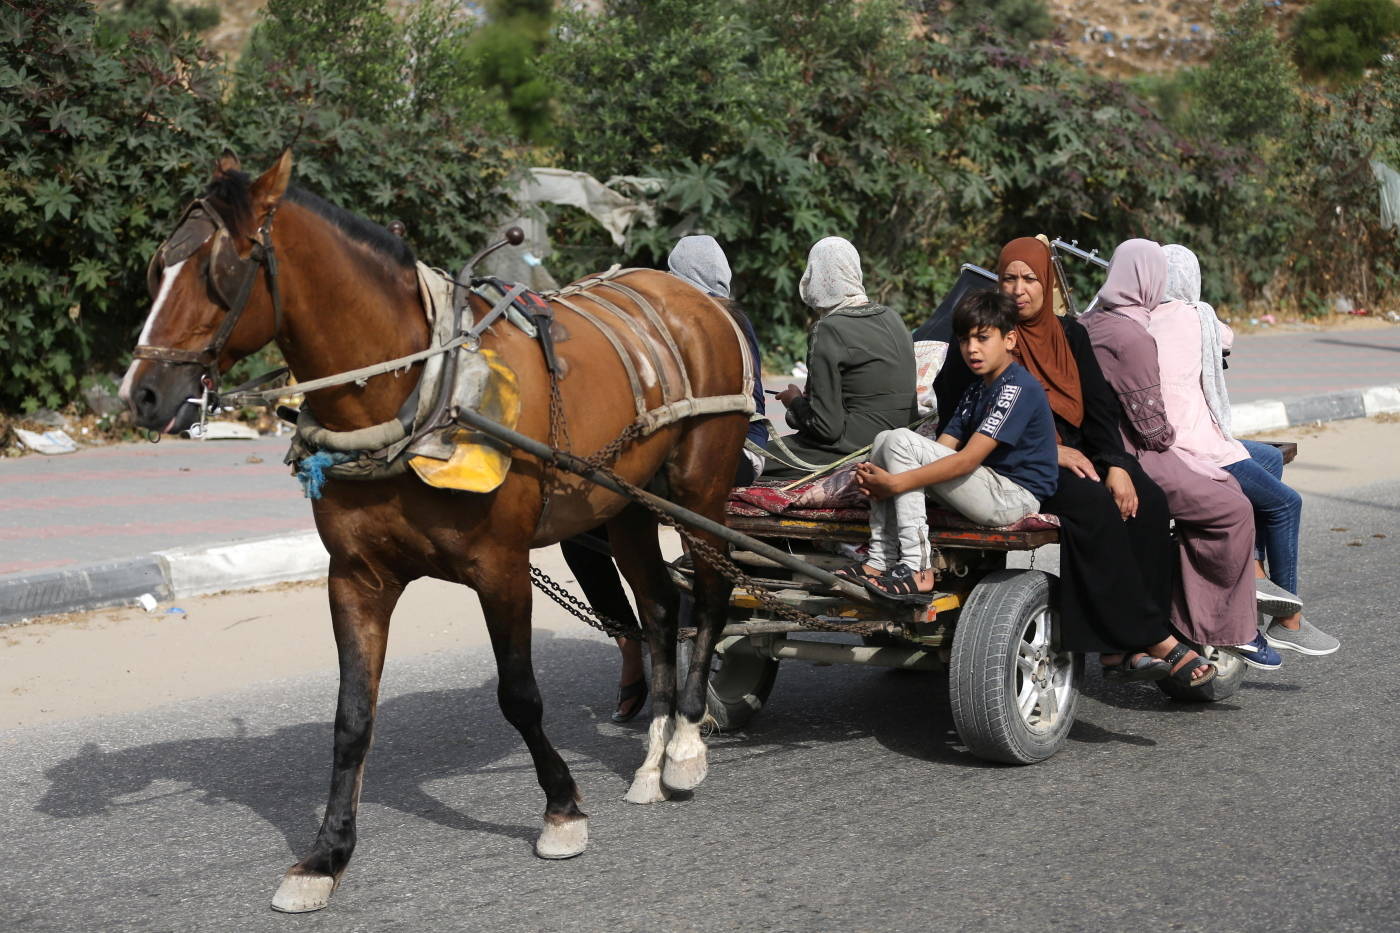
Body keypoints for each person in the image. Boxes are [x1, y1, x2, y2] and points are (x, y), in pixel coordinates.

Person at [933, 237, 1214, 686]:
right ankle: (1147, 635)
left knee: (1150, 504)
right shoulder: (980, 335)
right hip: (1016, 457)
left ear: (1046, 283)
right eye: (1009, 278)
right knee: (1093, 507)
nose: (1019, 289)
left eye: (1029, 278)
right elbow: (957, 412)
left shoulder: (1069, 333)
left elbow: (1100, 407)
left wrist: (1117, 464)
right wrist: (1048, 448)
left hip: (1081, 451)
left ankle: (1121, 650)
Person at [558, 235, 765, 723]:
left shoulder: (722, 320)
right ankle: (628, 640)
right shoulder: (655, 322)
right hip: (665, 453)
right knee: (577, 534)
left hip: (733, 449)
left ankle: (684, 639)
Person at [1081, 239, 1281, 670]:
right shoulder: (1131, 334)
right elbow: (1153, 430)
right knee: (1232, 505)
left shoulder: (1091, 319)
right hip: (1133, 452)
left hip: (1103, 445)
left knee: (1236, 473)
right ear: (1151, 280)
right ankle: (1228, 628)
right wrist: (1185, 449)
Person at [1155, 244, 1337, 655]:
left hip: (1181, 437)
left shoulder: (1139, 318)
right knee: (1287, 504)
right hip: (1195, 445)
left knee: (1270, 457)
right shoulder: (1196, 316)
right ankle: (1288, 619)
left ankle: (1253, 567)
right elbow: (1227, 338)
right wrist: (1203, 311)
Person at [847, 291, 1057, 602]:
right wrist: (888, 474)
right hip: (985, 486)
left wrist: (896, 482)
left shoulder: (1017, 387)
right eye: (964, 340)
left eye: (982, 338)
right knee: (886, 440)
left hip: (1014, 495)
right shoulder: (976, 390)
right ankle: (879, 561)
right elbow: (941, 450)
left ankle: (917, 567)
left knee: (899, 443)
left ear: (1010, 340)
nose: (972, 349)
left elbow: (966, 461)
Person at [770, 237, 917, 476]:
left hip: (855, 448)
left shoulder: (827, 329)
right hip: (903, 440)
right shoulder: (893, 317)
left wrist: (794, 401)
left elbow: (826, 429)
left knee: (745, 460)